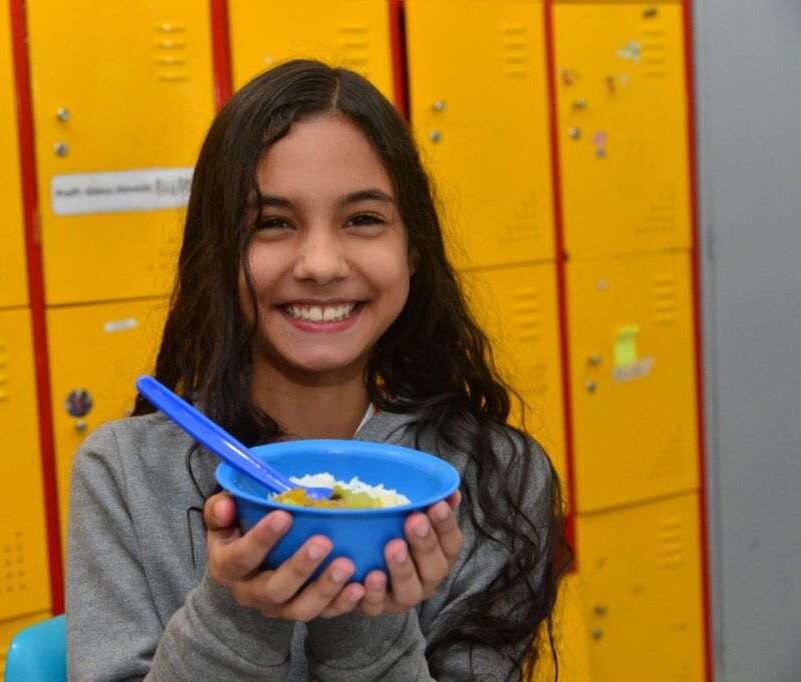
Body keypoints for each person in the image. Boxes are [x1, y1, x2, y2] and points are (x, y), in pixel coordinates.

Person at [66, 59, 569, 681]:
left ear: (412, 249)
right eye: (273, 223)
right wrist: (235, 612)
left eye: (363, 220)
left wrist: (368, 622)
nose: (322, 263)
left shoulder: (497, 478)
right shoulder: (124, 475)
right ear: (218, 254)